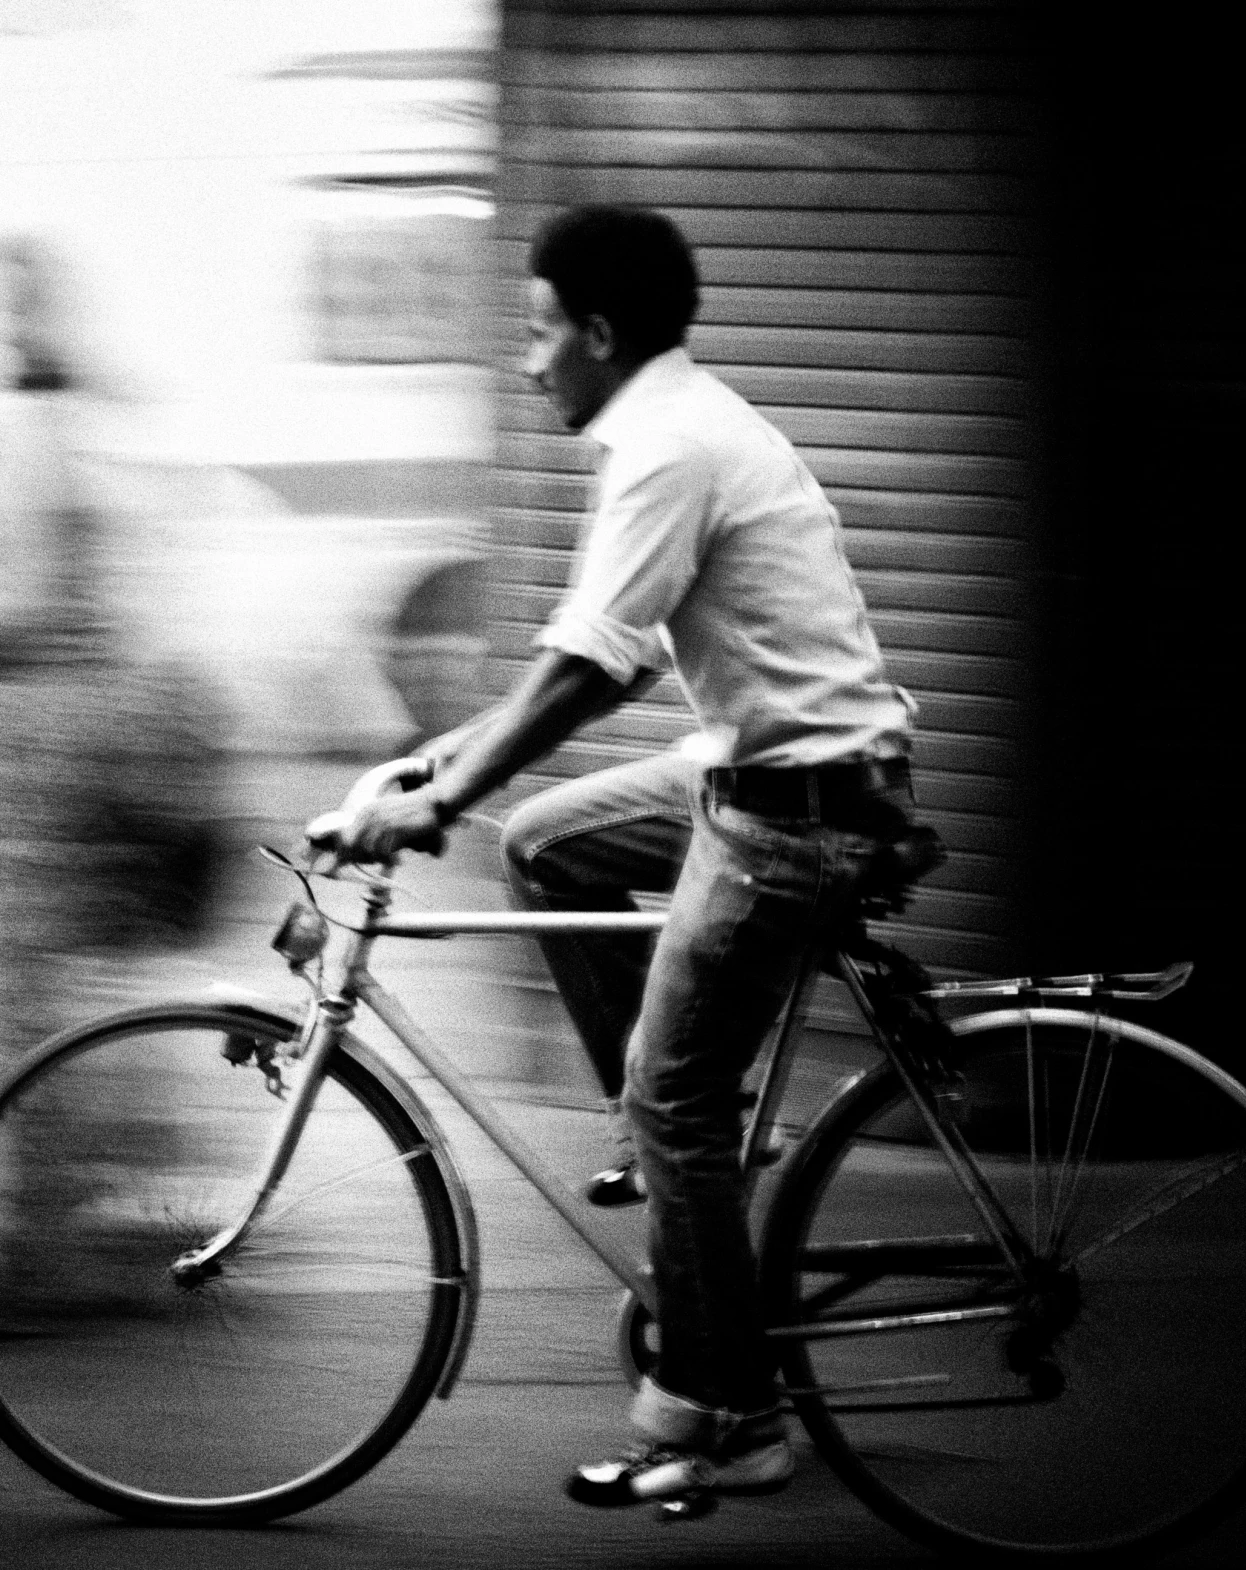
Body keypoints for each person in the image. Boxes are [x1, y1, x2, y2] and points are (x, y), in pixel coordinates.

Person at [325, 205, 921, 1510]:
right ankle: (661, 1141)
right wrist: (436, 770)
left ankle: (725, 1415)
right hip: (766, 771)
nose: (529, 362)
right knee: (542, 841)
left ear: (599, 332)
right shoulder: (670, 426)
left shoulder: (668, 444)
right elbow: (612, 648)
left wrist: (439, 799)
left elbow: (590, 667)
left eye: (539, 334)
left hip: (793, 808)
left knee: (679, 1097)